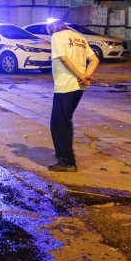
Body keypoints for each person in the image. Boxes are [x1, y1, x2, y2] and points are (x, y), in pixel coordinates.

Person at [47, 19, 99, 172]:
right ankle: (66, 157)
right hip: (79, 87)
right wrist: (86, 76)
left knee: (58, 124)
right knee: (64, 121)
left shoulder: (57, 36)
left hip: (65, 85)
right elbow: (95, 59)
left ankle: (66, 161)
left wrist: (81, 75)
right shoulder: (79, 38)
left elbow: (63, 58)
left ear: (52, 30)